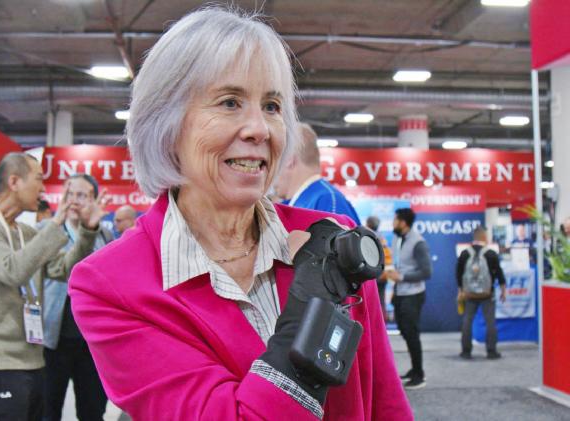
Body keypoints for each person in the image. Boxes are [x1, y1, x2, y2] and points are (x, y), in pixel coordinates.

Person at [68, 7, 411, 421]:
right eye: (230, 102)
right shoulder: (111, 285)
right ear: (167, 123)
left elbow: (385, 405)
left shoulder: (332, 238)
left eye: (271, 106)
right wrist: (309, 312)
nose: (260, 129)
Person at [0, 152, 102, 421]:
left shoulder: (26, 234)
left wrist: (88, 232)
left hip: (33, 361)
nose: (42, 188)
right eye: (38, 179)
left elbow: (63, 270)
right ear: (14, 181)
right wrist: (57, 223)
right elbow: (12, 270)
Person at [42, 174, 113, 421]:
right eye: (69, 194)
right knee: (48, 409)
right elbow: (66, 270)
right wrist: (87, 231)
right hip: (54, 338)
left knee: (92, 410)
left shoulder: (103, 234)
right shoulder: (48, 231)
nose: (73, 200)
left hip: (92, 342)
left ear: (93, 199)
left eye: (81, 195)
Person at [273, 122, 361, 225]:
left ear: (288, 158)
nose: (270, 168)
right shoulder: (306, 202)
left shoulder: (327, 201)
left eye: (275, 157)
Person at [387, 207, 432, 390]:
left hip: (413, 295)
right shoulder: (398, 238)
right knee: (404, 331)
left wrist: (402, 277)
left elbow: (427, 272)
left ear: (403, 222)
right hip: (400, 293)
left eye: (395, 219)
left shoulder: (418, 242)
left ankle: (419, 374)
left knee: (412, 333)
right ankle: (414, 370)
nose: (393, 223)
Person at [456, 226, 506, 360]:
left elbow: (459, 273)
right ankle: (491, 351)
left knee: (467, 321)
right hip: (487, 294)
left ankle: (466, 351)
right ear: (484, 236)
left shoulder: (465, 253)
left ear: (474, 237)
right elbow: (499, 273)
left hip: (469, 294)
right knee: (490, 322)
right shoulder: (491, 254)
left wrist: (460, 290)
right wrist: (503, 290)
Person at [365, 215, 393, 320]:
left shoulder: (366, 237)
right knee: (381, 301)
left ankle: (372, 324)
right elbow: (388, 257)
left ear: (367, 224)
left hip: (371, 275)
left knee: (369, 302)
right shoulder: (382, 238)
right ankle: (381, 326)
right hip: (383, 275)